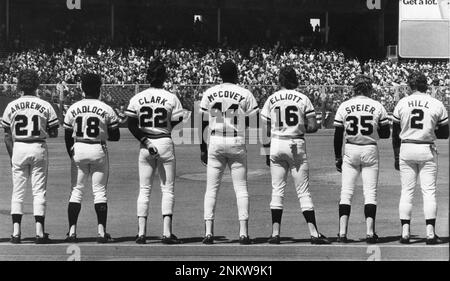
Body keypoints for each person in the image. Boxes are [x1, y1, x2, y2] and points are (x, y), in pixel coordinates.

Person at [260, 66, 331, 245]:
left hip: (276, 143)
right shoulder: (303, 98)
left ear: (280, 80)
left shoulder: (271, 98)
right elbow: (314, 126)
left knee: (277, 190)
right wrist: (299, 127)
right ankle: (314, 233)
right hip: (295, 143)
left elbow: (265, 130)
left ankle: (275, 233)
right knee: (303, 191)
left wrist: (267, 152)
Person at [200, 60, 259, 245]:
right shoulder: (244, 93)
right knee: (241, 188)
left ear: (220, 74)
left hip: (215, 139)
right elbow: (254, 119)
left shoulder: (210, 92)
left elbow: (202, 122)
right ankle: (243, 233)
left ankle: (209, 233)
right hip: (236, 139)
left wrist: (202, 148)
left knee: (211, 189)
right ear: (236, 74)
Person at [126, 60, 185, 244]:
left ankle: (141, 233)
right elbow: (178, 121)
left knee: (144, 189)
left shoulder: (138, 97)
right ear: (164, 76)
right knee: (167, 189)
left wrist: (145, 140)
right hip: (165, 141)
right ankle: (167, 233)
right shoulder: (171, 97)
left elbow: (131, 124)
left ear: (147, 76)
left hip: (145, 144)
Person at [1, 69, 59, 244]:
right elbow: (54, 131)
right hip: (38, 146)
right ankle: (39, 233)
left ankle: (16, 233)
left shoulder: (11, 105)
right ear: (36, 85)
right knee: (39, 191)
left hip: (18, 147)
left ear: (19, 85)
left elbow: (6, 135)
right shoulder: (45, 104)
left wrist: (13, 157)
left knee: (17, 192)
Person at [392, 72, 449, 244]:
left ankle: (405, 233)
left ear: (411, 86)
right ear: (426, 86)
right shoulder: (436, 103)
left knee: (406, 192)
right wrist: (431, 130)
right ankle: (430, 234)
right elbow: (445, 133)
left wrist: (396, 156)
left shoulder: (402, 102)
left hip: (406, 147)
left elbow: (395, 134)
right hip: (426, 148)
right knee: (429, 192)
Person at [63, 73, 120, 243]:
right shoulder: (106, 108)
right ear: (99, 88)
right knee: (100, 192)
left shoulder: (74, 107)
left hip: (79, 148)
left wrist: (71, 153)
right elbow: (115, 136)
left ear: (81, 88)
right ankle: (101, 233)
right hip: (98, 148)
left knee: (76, 191)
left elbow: (67, 135)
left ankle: (72, 232)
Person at [333, 75, 391, 244]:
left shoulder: (345, 105)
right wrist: (374, 131)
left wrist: (338, 156)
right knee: (370, 193)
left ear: (355, 88)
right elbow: (386, 133)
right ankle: (370, 232)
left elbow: (337, 135)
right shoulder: (377, 105)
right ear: (368, 88)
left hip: (350, 148)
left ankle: (342, 232)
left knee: (346, 192)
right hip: (370, 149)